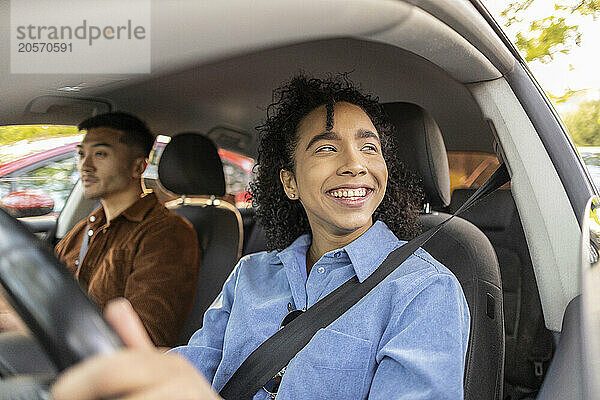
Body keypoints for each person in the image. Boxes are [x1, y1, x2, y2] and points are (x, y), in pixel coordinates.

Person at [51, 75, 469, 399]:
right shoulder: (251, 274)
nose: (354, 164)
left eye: (370, 148)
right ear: (289, 183)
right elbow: (198, 363)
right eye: (326, 148)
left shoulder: (423, 289)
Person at [54, 112, 200, 347]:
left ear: (138, 166)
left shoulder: (167, 234)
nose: (85, 166)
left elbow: (145, 339)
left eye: (100, 154)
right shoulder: (85, 229)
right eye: (81, 154)